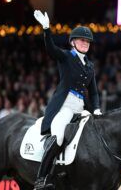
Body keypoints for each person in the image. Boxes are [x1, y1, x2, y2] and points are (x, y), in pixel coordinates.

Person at [33, 10, 102, 189]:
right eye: (82, 40)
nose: (85, 43)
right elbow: (51, 49)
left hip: (81, 108)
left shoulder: (90, 66)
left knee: (96, 132)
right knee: (59, 136)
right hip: (64, 106)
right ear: (73, 42)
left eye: (87, 41)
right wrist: (47, 29)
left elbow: (93, 92)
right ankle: (41, 178)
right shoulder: (65, 56)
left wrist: (96, 108)